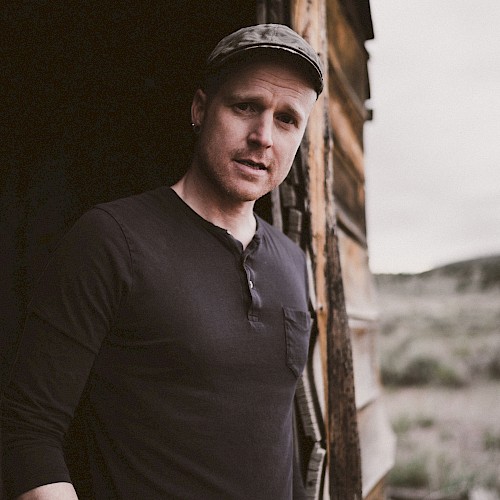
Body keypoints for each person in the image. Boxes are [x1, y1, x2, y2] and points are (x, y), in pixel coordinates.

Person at [1, 23, 323, 499]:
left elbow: (277, 440)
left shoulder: (293, 263)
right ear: (200, 109)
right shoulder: (113, 239)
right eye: (246, 107)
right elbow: (27, 430)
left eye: (286, 119)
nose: (263, 136)